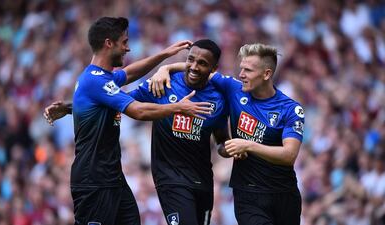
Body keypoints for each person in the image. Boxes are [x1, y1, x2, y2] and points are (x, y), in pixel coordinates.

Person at [44, 39, 245, 225]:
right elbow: (118, 102)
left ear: (213, 69)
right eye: (190, 59)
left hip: (202, 180)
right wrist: (71, 107)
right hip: (170, 178)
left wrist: (230, 149)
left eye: (202, 63)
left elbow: (220, 140)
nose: (193, 66)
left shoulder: (219, 99)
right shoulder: (163, 84)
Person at [60, 17, 213, 225]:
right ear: (108, 43)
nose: (127, 48)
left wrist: (164, 56)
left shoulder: (104, 77)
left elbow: (130, 73)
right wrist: (178, 107)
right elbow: (138, 111)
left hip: (112, 177)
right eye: (124, 42)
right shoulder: (95, 80)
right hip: (93, 179)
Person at [150, 43, 305, 225]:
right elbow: (199, 69)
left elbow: (289, 155)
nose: (241, 75)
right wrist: (165, 68)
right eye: (241, 69)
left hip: (284, 194)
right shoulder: (234, 89)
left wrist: (247, 145)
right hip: (248, 194)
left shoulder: (291, 109)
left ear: (267, 74)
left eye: (248, 70)